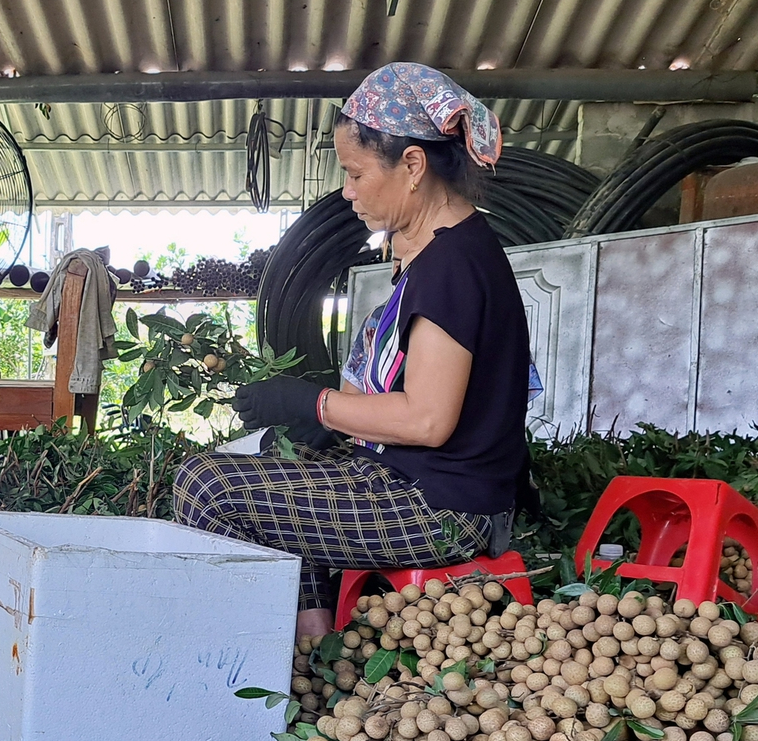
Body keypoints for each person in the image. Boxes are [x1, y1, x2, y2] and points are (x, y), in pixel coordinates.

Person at [174, 63, 530, 641]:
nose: (348, 191)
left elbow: (426, 418)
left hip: (442, 509)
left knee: (205, 485)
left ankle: (230, 664)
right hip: (419, 482)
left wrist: (312, 403)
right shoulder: (444, 255)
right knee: (283, 462)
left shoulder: (452, 268)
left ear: (412, 166)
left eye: (356, 172)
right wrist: (331, 423)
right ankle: (316, 650)